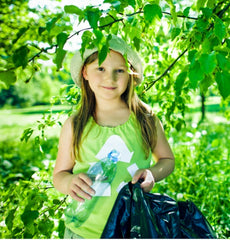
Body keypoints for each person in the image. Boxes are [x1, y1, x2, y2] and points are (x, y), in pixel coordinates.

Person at [53, 35, 175, 239]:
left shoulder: (146, 119)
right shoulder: (75, 125)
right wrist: (69, 182)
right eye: (100, 68)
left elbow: (167, 160)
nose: (110, 78)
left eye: (120, 70)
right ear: (85, 72)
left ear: (130, 76)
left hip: (133, 228)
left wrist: (153, 173)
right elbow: (59, 175)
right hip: (84, 231)